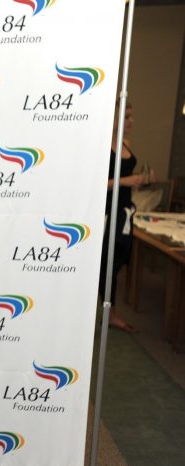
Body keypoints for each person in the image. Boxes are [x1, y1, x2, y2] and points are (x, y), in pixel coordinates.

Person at [99, 102, 152, 333]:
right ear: (114, 117)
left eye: (131, 116)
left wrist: (140, 181)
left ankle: (110, 312)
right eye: (127, 116)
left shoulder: (125, 144)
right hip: (107, 212)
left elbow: (127, 180)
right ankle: (107, 312)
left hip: (124, 213)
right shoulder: (102, 146)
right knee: (104, 265)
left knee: (117, 262)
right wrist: (126, 181)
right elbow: (97, 184)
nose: (131, 121)